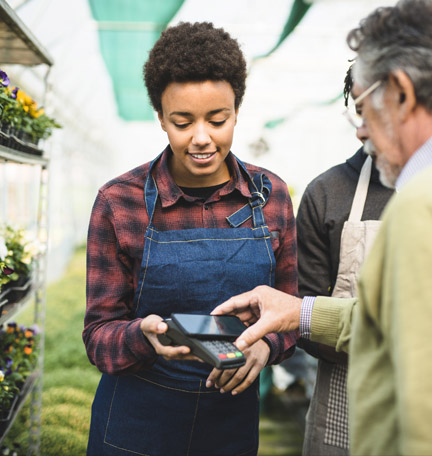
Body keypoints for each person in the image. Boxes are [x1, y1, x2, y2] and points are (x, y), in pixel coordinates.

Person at [212, 1, 432, 454]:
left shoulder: (418, 204)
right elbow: (387, 322)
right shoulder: (332, 191)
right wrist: (298, 312)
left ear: (403, 94)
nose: (360, 130)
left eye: (365, 108)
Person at [83, 21, 297, 456]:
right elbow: (98, 334)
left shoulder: (271, 196)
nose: (202, 137)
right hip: (136, 424)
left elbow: (293, 310)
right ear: (160, 117)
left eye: (217, 120)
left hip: (230, 423)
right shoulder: (118, 202)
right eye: (183, 122)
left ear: (236, 111)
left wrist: (265, 348)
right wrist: (142, 336)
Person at [296, 65, 394, 455]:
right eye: (358, 111)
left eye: (378, 112)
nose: (362, 129)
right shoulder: (327, 193)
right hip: (345, 400)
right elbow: (307, 311)